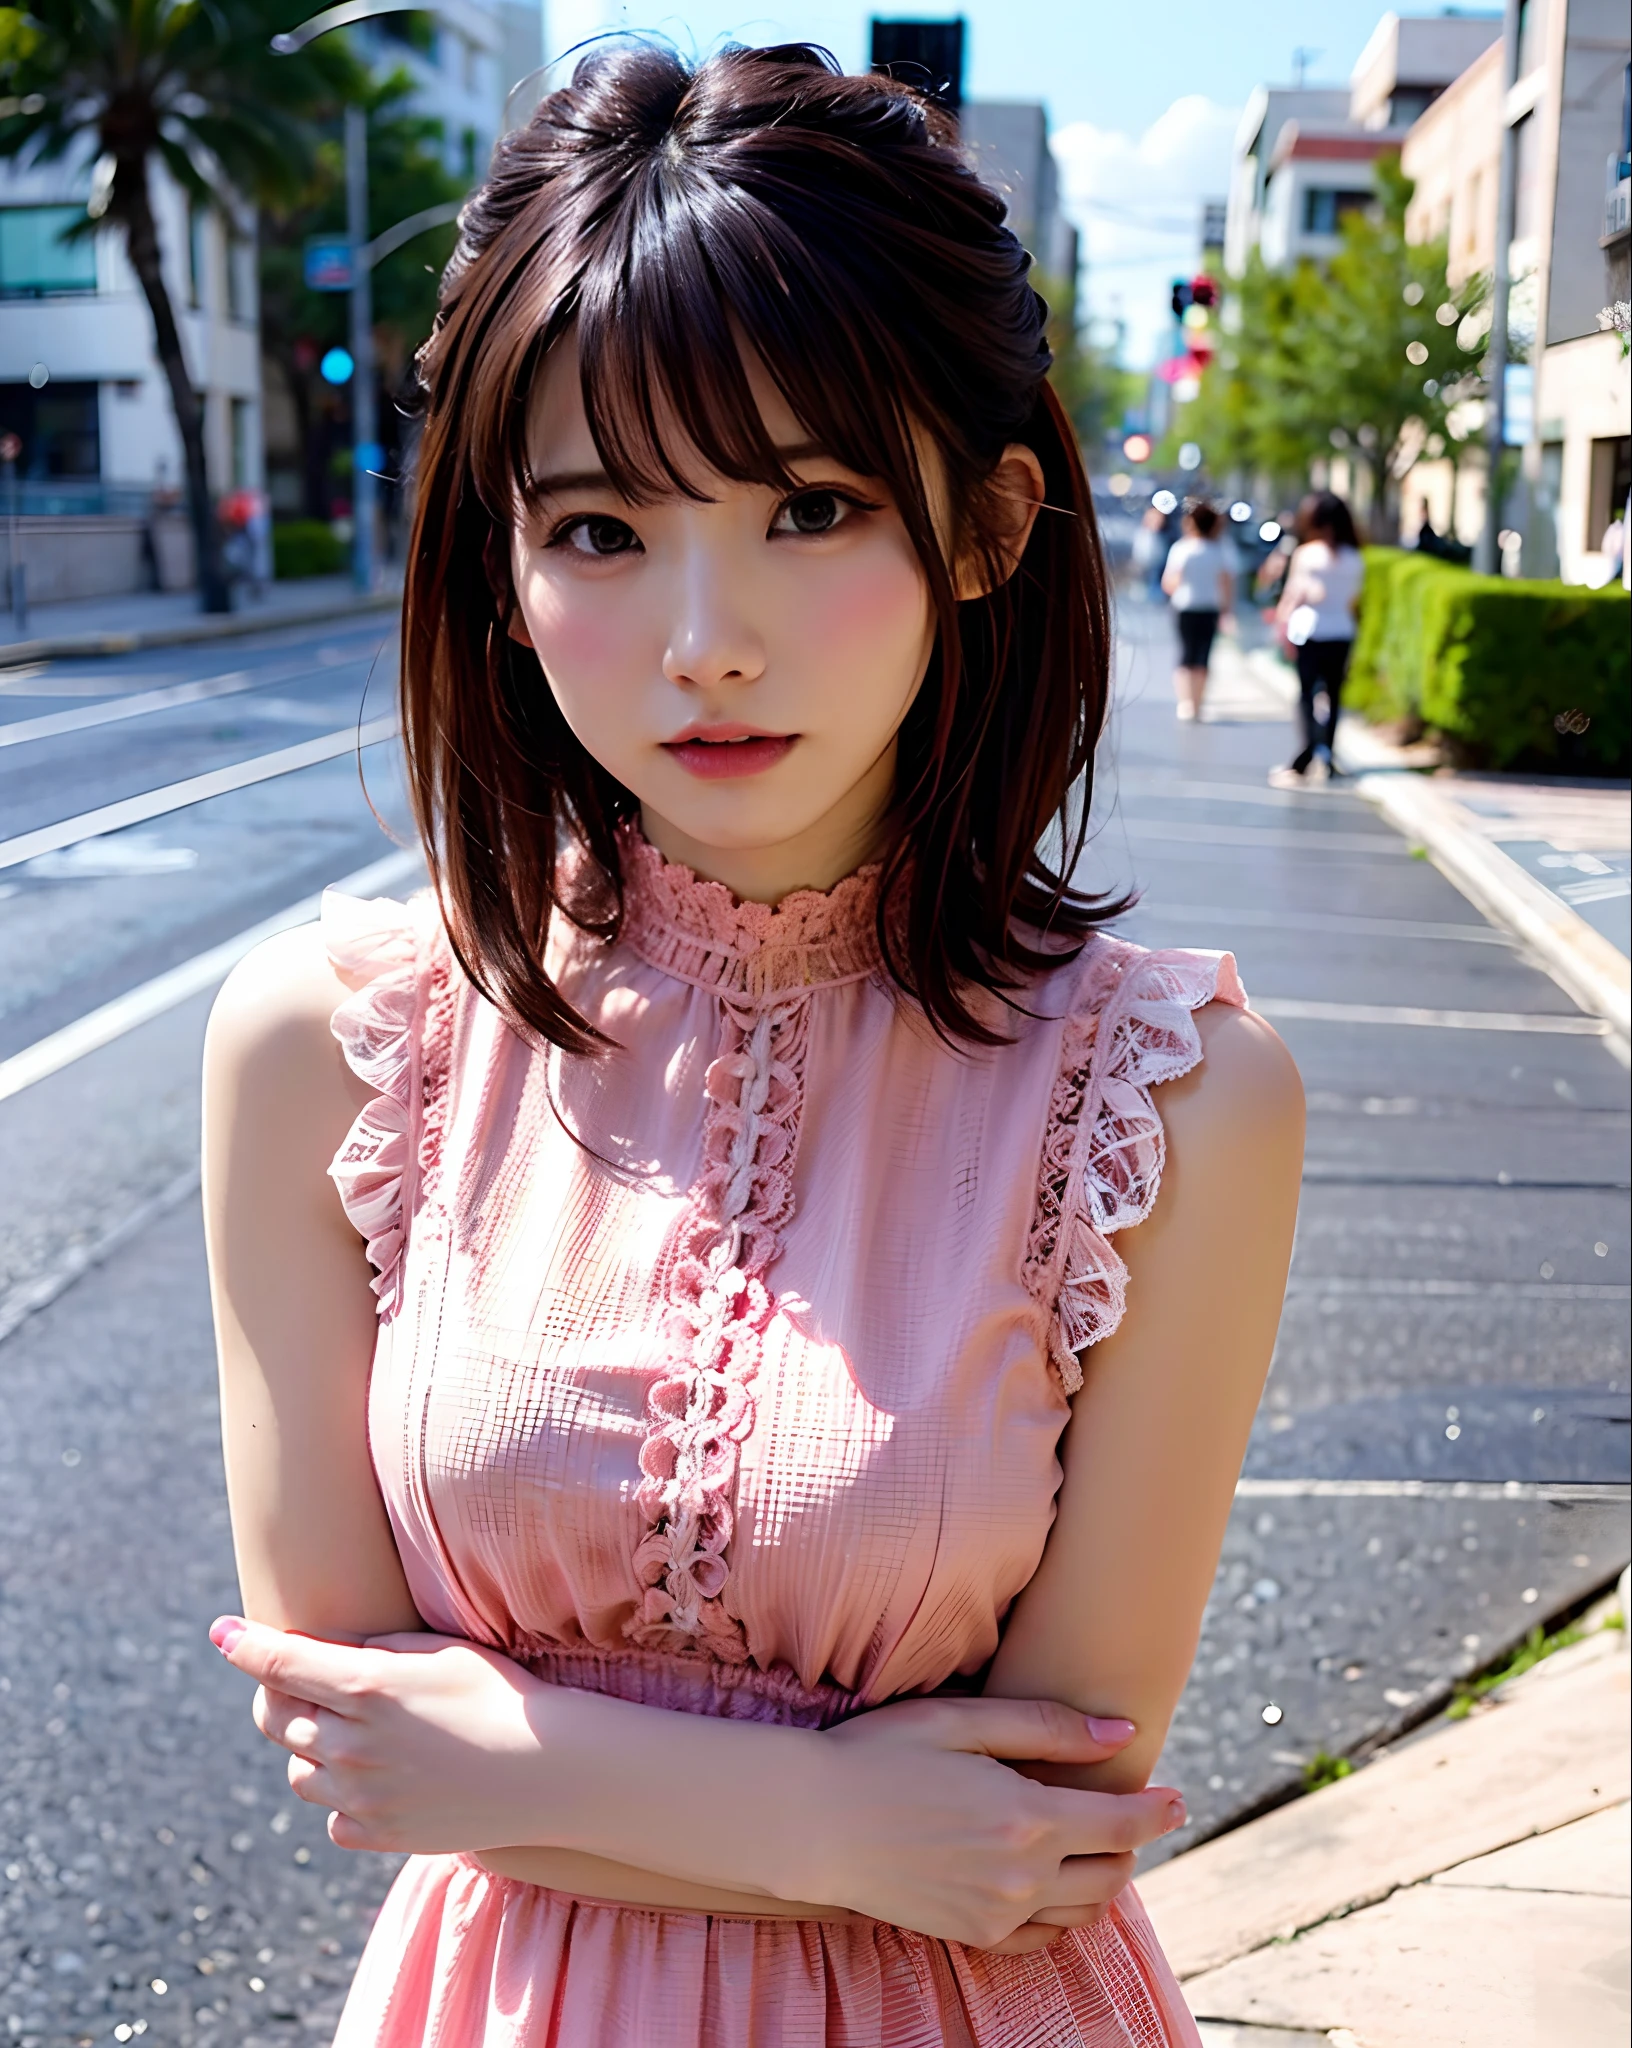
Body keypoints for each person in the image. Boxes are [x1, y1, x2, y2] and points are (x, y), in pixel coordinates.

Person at [201, 43, 1303, 2048]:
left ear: (985, 528)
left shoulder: (1176, 1099)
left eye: (808, 504)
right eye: (604, 529)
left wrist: (518, 1767)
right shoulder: (328, 1049)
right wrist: (836, 1821)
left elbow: (1032, 1829)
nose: (707, 632)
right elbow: (357, 1729)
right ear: (504, 575)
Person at [1269, 491, 1364, 788]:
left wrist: (1281, 622)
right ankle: (1327, 753)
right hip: (1342, 631)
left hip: (1309, 630)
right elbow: (1354, 599)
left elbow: (1295, 593)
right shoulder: (1354, 558)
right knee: (1334, 695)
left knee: (1306, 694)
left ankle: (1307, 753)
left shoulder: (1307, 554)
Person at [1160, 498, 1235, 721]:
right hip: (1210, 606)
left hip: (1185, 606)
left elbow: (1169, 583)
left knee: (1185, 654)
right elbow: (1226, 582)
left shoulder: (1182, 549)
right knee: (1203, 656)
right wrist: (1227, 611)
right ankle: (1198, 704)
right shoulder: (1218, 551)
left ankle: (1185, 702)